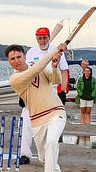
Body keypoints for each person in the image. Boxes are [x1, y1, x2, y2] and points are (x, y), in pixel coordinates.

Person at [6, 39, 67, 172]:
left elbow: (56, 79)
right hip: (37, 119)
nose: (16, 61)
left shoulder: (39, 66)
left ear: (24, 56)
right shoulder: (15, 79)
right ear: (9, 62)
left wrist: (54, 66)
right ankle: (55, 170)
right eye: (12, 59)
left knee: (52, 142)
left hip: (56, 111)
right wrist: (53, 52)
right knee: (43, 158)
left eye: (18, 57)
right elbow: (34, 71)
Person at [20, 26, 69, 160]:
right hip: (32, 91)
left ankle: (49, 156)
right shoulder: (31, 52)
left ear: (48, 37)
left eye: (45, 38)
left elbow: (64, 71)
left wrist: (62, 91)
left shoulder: (57, 51)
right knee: (25, 123)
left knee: (48, 125)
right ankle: (24, 154)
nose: (42, 40)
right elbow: (25, 73)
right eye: (40, 38)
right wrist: (22, 94)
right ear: (37, 39)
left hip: (50, 91)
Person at [75, 60, 96, 125]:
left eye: (88, 71)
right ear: (84, 72)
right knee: (82, 111)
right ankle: (82, 123)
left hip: (90, 97)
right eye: (86, 71)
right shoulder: (81, 79)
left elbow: (95, 88)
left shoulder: (93, 79)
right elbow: (78, 87)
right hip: (82, 97)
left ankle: (88, 124)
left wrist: (93, 95)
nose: (87, 72)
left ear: (90, 72)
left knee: (88, 111)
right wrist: (80, 94)